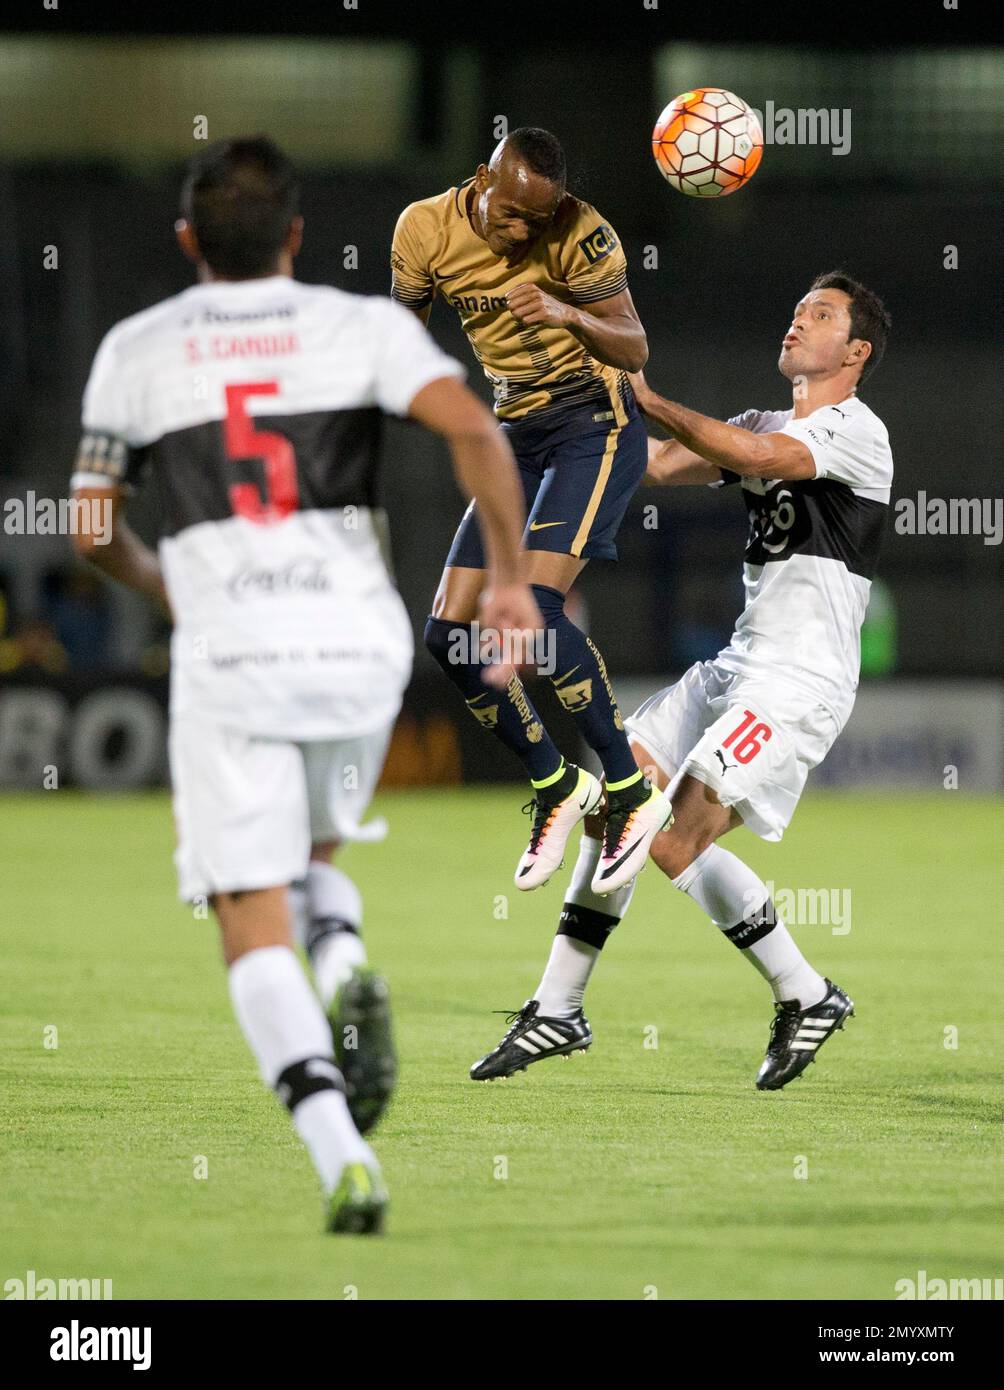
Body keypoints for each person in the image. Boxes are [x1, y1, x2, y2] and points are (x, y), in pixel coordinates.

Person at [71, 135, 539, 1233]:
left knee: (247, 912)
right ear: (294, 235)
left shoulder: (136, 348)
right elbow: (476, 429)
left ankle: (344, 1158)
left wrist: (169, 585)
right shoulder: (363, 325)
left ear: (189, 239)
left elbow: (92, 525)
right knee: (314, 865)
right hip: (357, 646)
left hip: (236, 652)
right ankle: (347, 964)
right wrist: (509, 582)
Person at [470, 272, 893, 1091]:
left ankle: (805, 992)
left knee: (670, 839)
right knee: (620, 810)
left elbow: (756, 457)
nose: (797, 321)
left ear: (858, 350)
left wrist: (647, 395)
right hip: (737, 665)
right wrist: (585, 417)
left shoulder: (856, 431)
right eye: (798, 306)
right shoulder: (762, 420)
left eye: (822, 314)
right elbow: (659, 470)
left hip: (797, 682)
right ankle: (559, 1008)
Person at [392, 127, 671, 895]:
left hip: (594, 425)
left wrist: (568, 314)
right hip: (512, 432)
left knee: (537, 611)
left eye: (535, 221)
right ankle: (555, 786)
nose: (523, 232)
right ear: (483, 178)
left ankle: (629, 791)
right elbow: (400, 340)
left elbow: (635, 346)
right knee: (449, 634)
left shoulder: (581, 233)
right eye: (512, 214)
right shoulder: (423, 229)